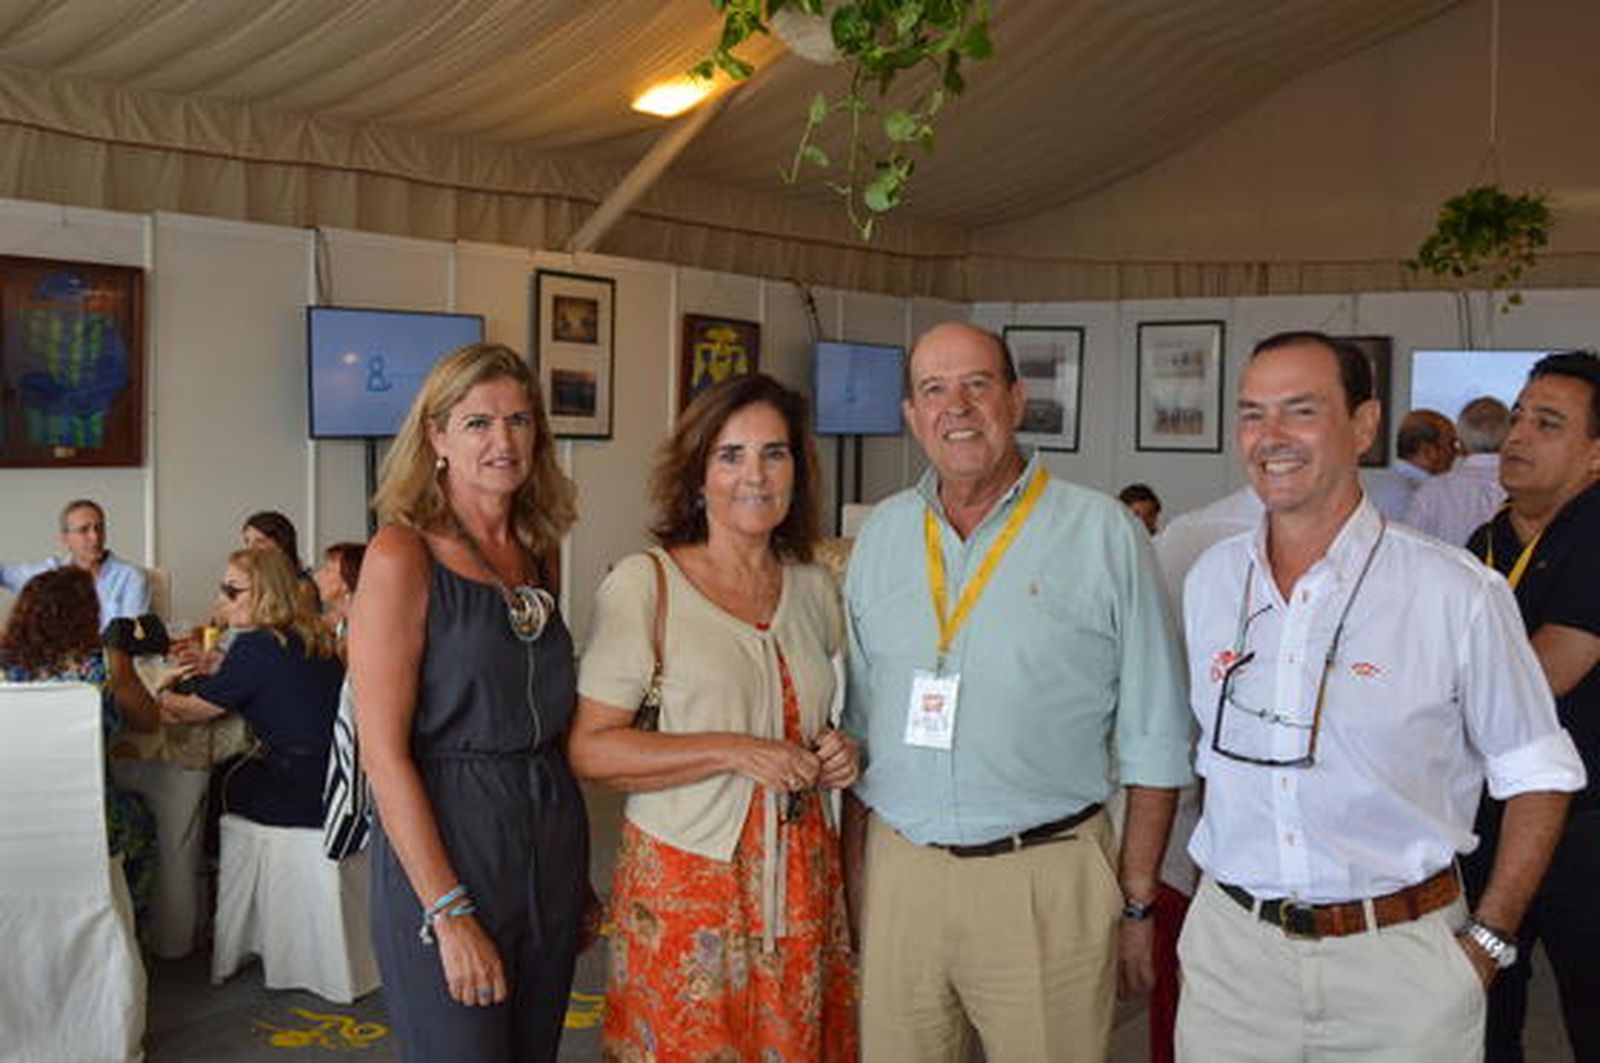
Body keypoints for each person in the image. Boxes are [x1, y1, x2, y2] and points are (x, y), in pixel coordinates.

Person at [1175, 331, 1586, 1062]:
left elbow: (1540, 772)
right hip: (1232, 965)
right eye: (1251, 413)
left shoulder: (1454, 591)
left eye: (1300, 411)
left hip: (1400, 963)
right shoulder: (1210, 579)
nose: (1270, 437)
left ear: (1363, 426)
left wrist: (1486, 943)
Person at [842, 322, 1191, 1062]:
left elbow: (1156, 737)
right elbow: (860, 725)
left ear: (1017, 399)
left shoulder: (1103, 533)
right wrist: (858, 885)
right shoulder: (882, 536)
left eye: (977, 384)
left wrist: (1137, 903)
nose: (956, 406)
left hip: (1045, 880)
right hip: (903, 872)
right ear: (910, 414)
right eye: (933, 389)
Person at [569, 374, 858, 1061]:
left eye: (774, 453)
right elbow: (591, 750)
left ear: (797, 469)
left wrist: (843, 749)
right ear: (697, 473)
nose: (753, 475)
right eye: (730, 455)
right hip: (688, 881)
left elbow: (813, 711)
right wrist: (734, 749)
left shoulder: (816, 586)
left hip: (802, 878)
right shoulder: (648, 583)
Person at [349, 342, 591, 1061]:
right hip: (451, 839)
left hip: (546, 839)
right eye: (478, 422)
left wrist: (573, 876)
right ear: (436, 437)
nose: (503, 440)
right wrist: (448, 912)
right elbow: (383, 755)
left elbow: (548, 719)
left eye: (519, 420)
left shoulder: (539, 549)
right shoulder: (401, 554)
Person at [1463, 352, 1600, 1062]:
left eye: (1548, 423)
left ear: (1596, 453)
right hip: (1489, 817)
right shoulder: (1486, 540)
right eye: (1517, 416)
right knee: (1482, 1020)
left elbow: (1551, 670)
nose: (1517, 435)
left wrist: (1440, 702)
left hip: (1584, 827)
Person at [1142, 484, 1264, 1063]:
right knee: (1187, 1018)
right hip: (1197, 839)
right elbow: (1153, 702)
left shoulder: (1399, 561)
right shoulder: (1193, 542)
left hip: (1330, 879)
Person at [0, 566, 159, 915]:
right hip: (92, 827)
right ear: (89, 613)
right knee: (144, 819)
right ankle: (128, 942)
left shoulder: (4, 667)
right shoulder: (105, 664)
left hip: (10, 826)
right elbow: (149, 722)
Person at [159, 547, 343, 829]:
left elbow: (190, 712)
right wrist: (225, 665)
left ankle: (215, 869)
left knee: (221, 779)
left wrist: (160, 691)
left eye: (232, 591)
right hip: (336, 779)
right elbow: (279, 676)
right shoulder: (310, 632)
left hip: (300, 792)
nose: (221, 600)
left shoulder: (255, 645)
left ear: (265, 593)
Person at [0, 499, 149, 628]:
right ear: (65, 539)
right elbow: (3, 573)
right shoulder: (52, 571)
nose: (95, 537)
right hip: (54, 658)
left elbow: (129, 638)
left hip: (103, 658)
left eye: (99, 528)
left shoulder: (130, 577)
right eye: (84, 530)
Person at [1407, 396, 1511, 546]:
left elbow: (1410, 550)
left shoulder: (1432, 490)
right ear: (1510, 436)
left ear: (1460, 442)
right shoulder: (1531, 488)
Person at [1363, 408, 1457, 522]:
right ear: (1428, 451)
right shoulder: (1421, 495)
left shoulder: (1374, 484)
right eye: (1451, 444)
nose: (1456, 452)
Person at [242, 509, 321, 612]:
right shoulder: (250, 580)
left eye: (260, 541)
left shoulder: (302, 588)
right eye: (247, 541)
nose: (250, 549)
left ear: (281, 545)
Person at [315, 541, 367, 647]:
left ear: (347, 581)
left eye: (328, 570)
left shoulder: (359, 627)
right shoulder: (338, 622)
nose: (317, 576)